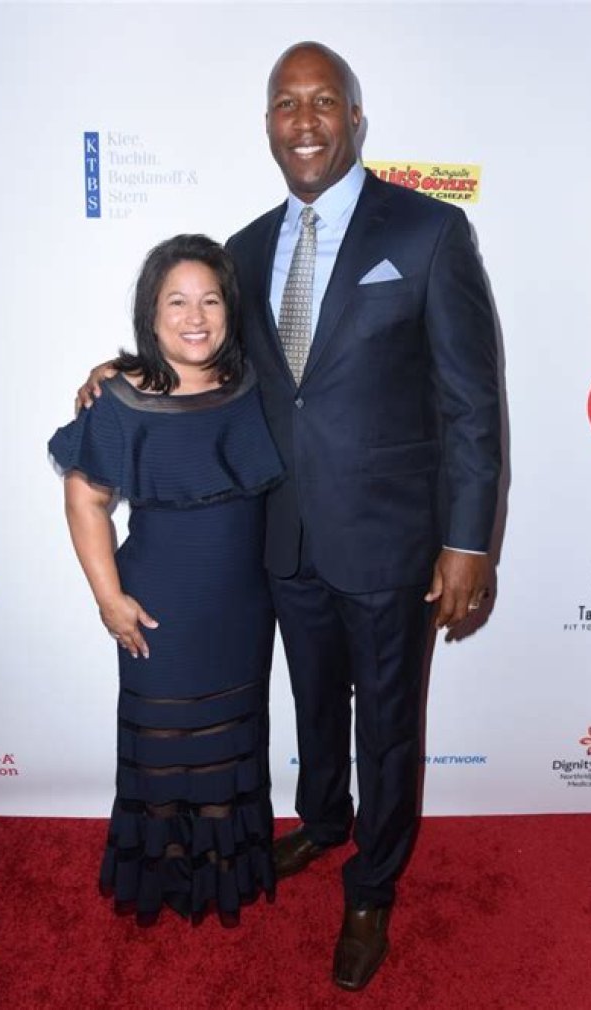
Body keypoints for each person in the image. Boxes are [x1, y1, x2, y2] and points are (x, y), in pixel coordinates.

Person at [78, 42, 501, 991]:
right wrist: (125, 371)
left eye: (323, 101)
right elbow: (208, 361)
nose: (304, 120)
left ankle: (372, 886)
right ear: (268, 124)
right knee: (312, 702)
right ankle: (322, 820)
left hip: (391, 539)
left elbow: (473, 402)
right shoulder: (245, 248)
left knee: (386, 722)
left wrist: (468, 540)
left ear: (355, 118)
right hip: (281, 537)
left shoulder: (430, 232)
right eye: (285, 104)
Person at [50, 234, 284, 928]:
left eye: (210, 300)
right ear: (150, 315)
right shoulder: (120, 398)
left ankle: (222, 872)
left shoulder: (252, 383)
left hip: (242, 608)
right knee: (164, 752)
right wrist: (109, 599)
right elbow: (85, 499)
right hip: (160, 606)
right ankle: (166, 875)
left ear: (230, 310)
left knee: (230, 744)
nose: (195, 317)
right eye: (176, 302)